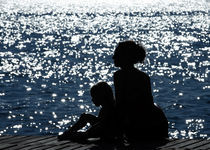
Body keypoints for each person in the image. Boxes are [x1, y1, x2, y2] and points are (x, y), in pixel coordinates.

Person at [112, 41, 168, 141]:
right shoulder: (143, 76)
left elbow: (120, 105)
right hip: (156, 121)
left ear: (125, 57)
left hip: (143, 124)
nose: (113, 57)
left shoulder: (119, 76)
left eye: (116, 54)